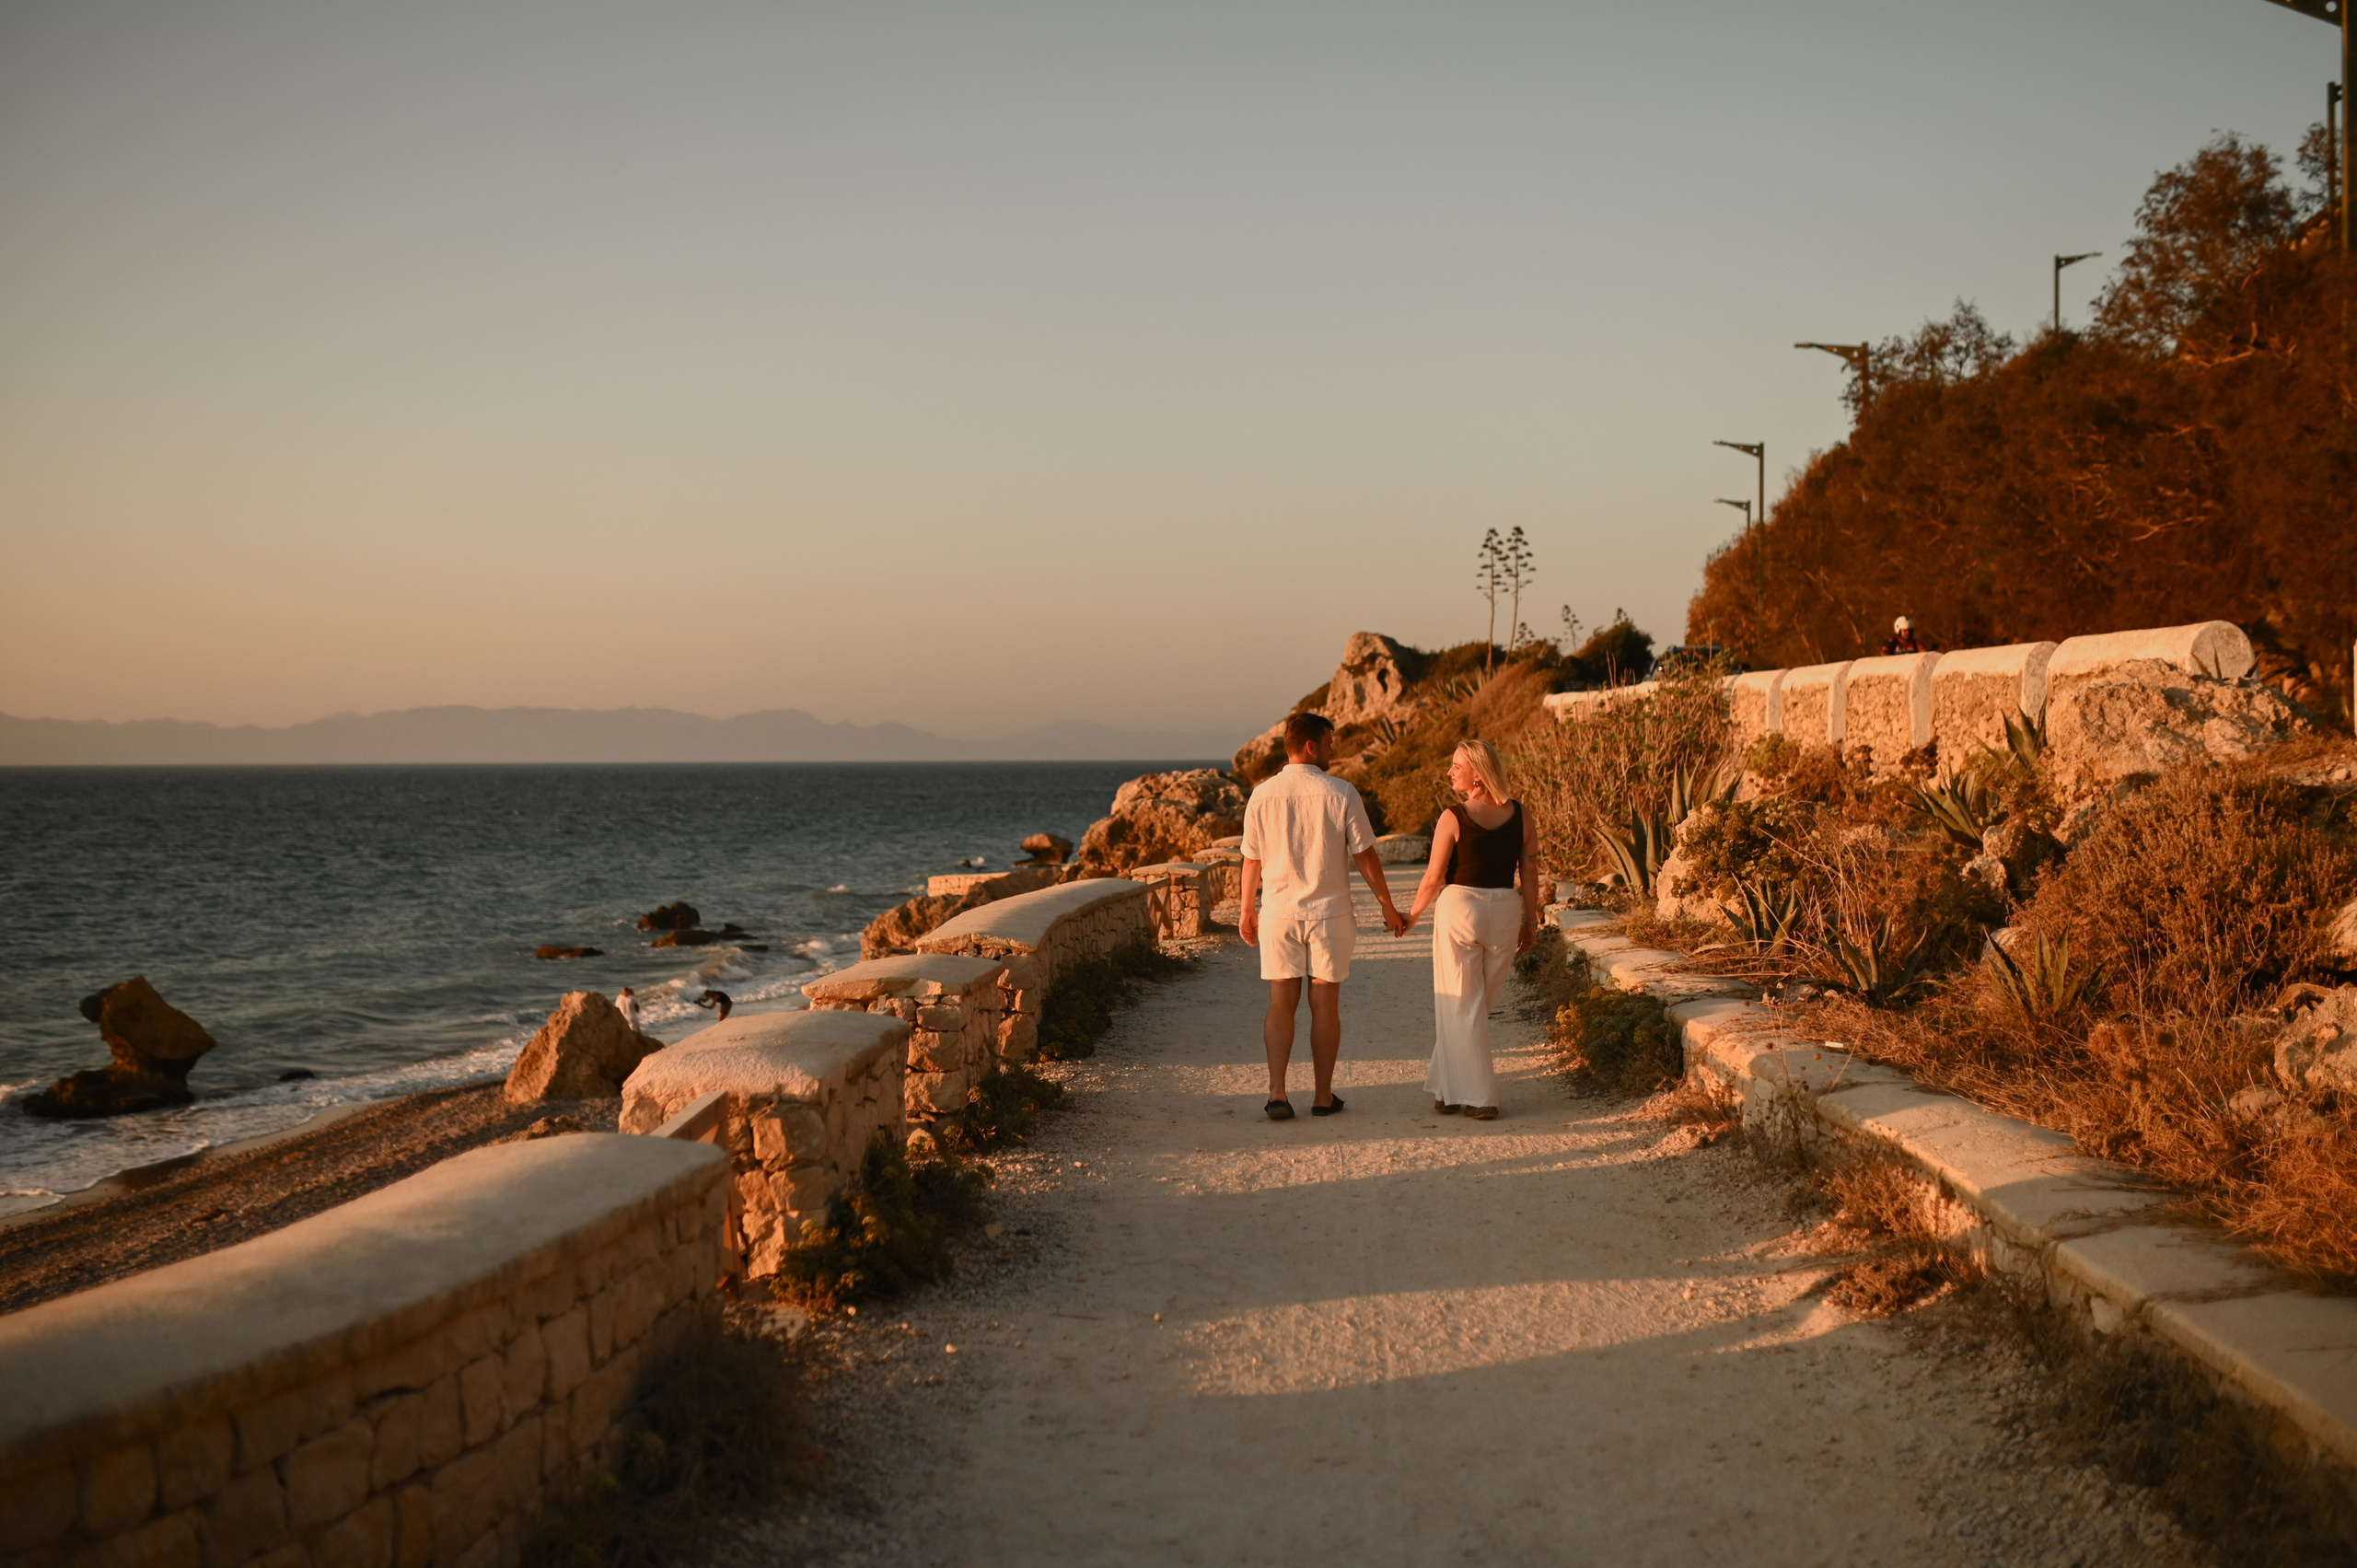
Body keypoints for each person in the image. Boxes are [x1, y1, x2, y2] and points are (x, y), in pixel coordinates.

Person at [1239, 711, 1409, 1121]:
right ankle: (1321, 1095)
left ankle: (1277, 1094)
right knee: (1325, 1004)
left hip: (1279, 913)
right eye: (1331, 744)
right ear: (1312, 746)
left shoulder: (1262, 794)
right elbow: (1365, 854)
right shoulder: (1341, 792)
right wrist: (1388, 905)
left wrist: (1247, 910)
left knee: (1281, 1003)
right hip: (1330, 915)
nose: (1335, 750)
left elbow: (1251, 859)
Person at [1400, 739, 1540, 1121]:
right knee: (1474, 1007)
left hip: (1461, 908)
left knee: (1463, 1005)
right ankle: (1446, 1089)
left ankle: (1480, 1097)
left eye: (1456, 766)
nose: (1450, 772)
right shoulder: (1523, 816)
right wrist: (1531, 921)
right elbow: (1529, 871)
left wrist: (1411, 916)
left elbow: (1433, 878)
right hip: (1506, 911)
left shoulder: (1453, 816)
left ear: (1478, 774)